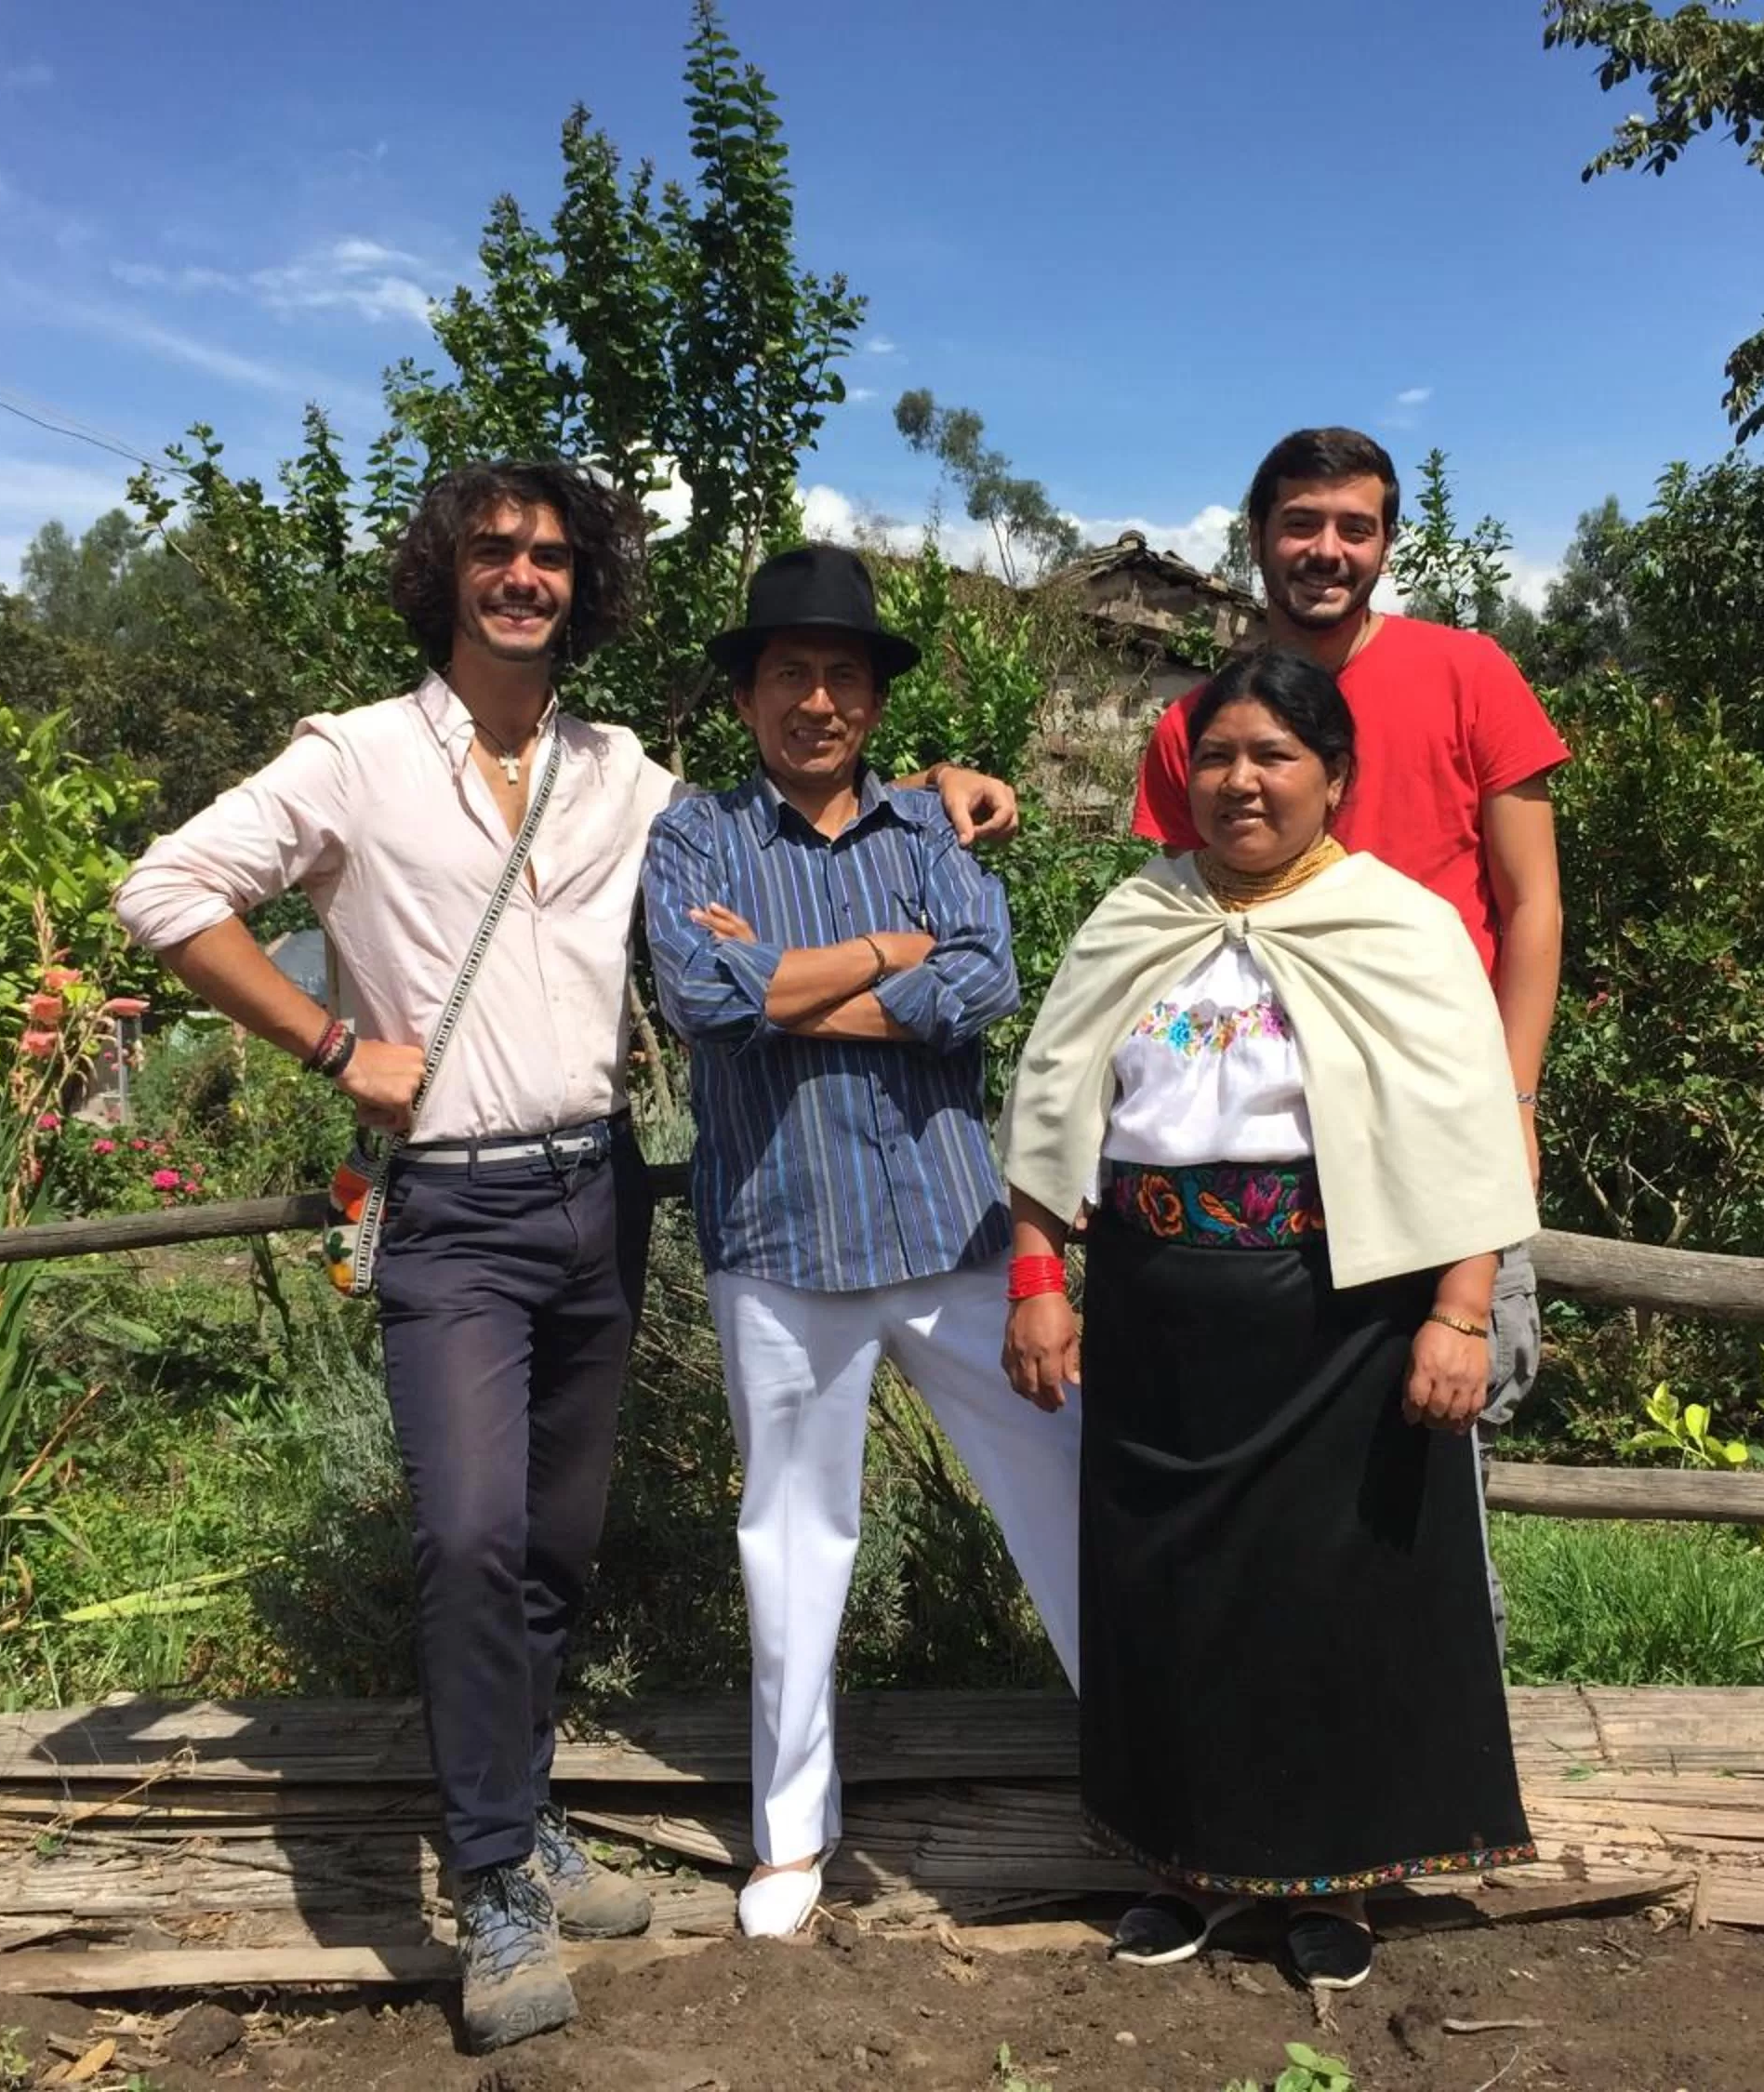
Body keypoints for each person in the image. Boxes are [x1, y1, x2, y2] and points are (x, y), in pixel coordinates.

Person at [112, 465, 1018, 2053]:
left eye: (550, 555)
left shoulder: (625, 774)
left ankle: (522, 1818)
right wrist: (335, 1042)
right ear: (446, 575)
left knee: (548, 1547)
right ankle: (492, 1883)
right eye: (494, 551)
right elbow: (167, 888)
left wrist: (939, 786)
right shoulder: (356, 755)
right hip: (452, 1203)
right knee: (465, 1534)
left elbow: (798, 789)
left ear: (583, 584)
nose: (524, 575)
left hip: (597, 1195)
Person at [1002, 646, 1538, 1993]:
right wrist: (1039, 1275)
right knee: (1170, 1597)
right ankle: (1184, 1858)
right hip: (1158, 1315)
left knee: (1330, 1602)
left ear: (1335, 778)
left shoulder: (1399, 925)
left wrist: (1461, 1312)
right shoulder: (1135, 917)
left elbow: (1467, 1126)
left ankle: (1341, 1881)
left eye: (1275, 756)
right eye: (1220, 756)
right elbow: (1057, 1106)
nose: (1243, 781)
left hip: (1339, 1320)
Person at [643, 545, 1081, 1940]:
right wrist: (893, 952)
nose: (817, 699)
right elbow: (703, 992)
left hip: (954, 1229)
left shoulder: (931, 830)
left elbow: (987, 984)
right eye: (789, 673)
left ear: (875, 701)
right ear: (747, 695)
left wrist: (788, 978)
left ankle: (1155, 1761)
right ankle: (789, 1832)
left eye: (842, 675)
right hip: (780, 1240)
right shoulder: (695, 836)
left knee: (1064, 1491)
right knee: (791, 1533)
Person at [1133, 427, 1568, 1647]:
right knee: (1264, 1451)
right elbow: (1168, 942)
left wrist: (1516, 1102)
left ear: (1384, 541)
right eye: (1302, 524)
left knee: (1442, 1439)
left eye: (1354, 527)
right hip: (1260, 1145)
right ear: (1259, 534)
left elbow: (1532, 904)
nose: (1327, 550)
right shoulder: (1200, 723)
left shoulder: (1467, 672)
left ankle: (1441, 1751)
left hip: (1442, 1120)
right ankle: (1288, 1743)